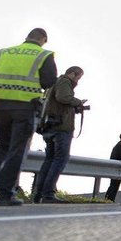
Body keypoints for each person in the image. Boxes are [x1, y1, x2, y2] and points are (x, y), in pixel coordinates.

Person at [0, 28, 57, 207]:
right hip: (25, 108)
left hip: (0, 108)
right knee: (17, 151)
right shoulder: (44, 54)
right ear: (43, 39)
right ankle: (5, 194)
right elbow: (49, 82)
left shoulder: (4, 52)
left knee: (2, 147)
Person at [32, 66, 87, 203]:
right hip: (61, 127)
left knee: (49, 160)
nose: (78, 81)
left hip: (49, 126)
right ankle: (48, 193)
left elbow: (58, 102)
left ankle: (39, 194)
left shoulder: (53, 83)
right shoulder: (64, 81)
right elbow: (63, 97)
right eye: (79, 77)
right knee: (60, 159)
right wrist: (78, 102)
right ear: (73, 74)